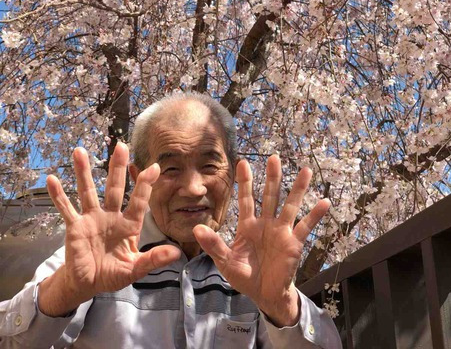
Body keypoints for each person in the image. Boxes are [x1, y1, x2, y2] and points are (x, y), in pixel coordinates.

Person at [0, 93, 342, 348]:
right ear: (138, 178)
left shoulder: (255, 267)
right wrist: (67, 290)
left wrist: (281, 305)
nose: (193, 188)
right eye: (170, 168)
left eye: (209, 166)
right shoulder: (96, 255)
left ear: (234, 174)